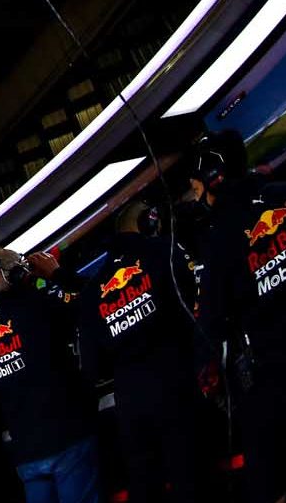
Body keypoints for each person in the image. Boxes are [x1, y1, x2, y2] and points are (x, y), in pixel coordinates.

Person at [182, 132, 286, 503]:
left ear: (212, 181)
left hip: (266, 377)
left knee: (271, 486)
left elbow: (212, 324)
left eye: (195, 185)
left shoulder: (219, 240)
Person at [78, 199, 201, 503]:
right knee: (192, 481)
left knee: (146, 489)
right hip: (176, 385)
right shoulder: (163, 251)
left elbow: (92, 366)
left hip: (130, 405)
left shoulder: (93, 290)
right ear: (149, 221)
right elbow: (193, 302)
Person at [0, 249, 100, 503]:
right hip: (67, 439)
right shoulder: (39, 306)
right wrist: (56, 273)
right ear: (17, 275)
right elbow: (99, 299)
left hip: (26, 452)